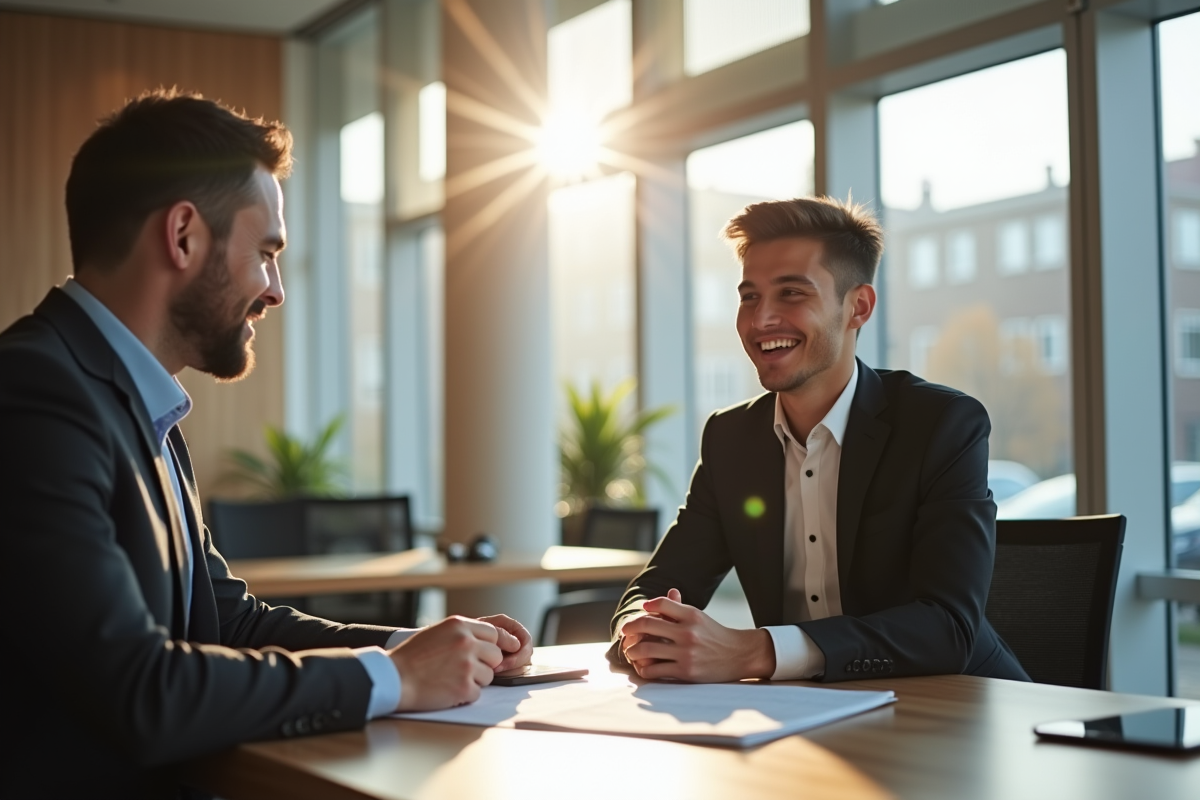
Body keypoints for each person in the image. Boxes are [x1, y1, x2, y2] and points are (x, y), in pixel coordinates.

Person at [0, 90, 533, 799]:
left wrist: (421, 648)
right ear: (183, 235)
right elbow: (138, 689)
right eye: (266, 252)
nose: (274, 290)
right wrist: (398, 679)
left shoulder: (133, 401)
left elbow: (229, 622)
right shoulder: (34, 391)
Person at [609, 196, 1028, 685]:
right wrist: (645, 630)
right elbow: (657, 587)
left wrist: (755, 651)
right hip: (808, 715)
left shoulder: (941, 424)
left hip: (961, 711)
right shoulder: (731, 439)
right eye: (749, 297)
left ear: (859, 307)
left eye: (791, 294)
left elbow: (948, 627)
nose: (760, 320)